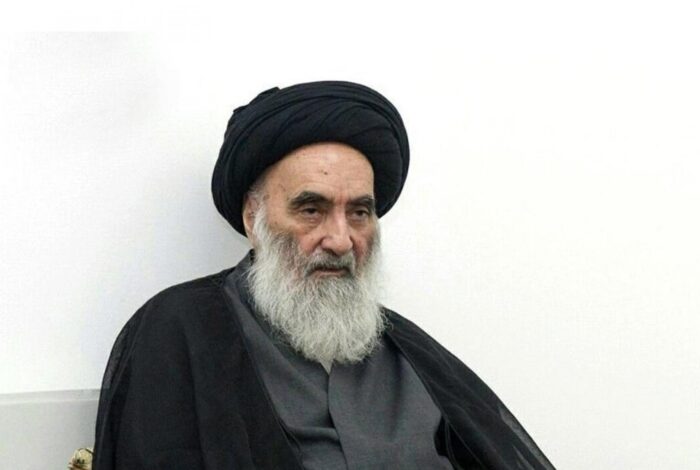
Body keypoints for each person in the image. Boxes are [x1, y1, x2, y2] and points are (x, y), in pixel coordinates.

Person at [93, 81, 555, 470]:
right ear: (254, 219)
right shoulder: (181, 328)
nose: (340, 240)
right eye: (311, 209)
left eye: (359, 213)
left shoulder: (410, 354)